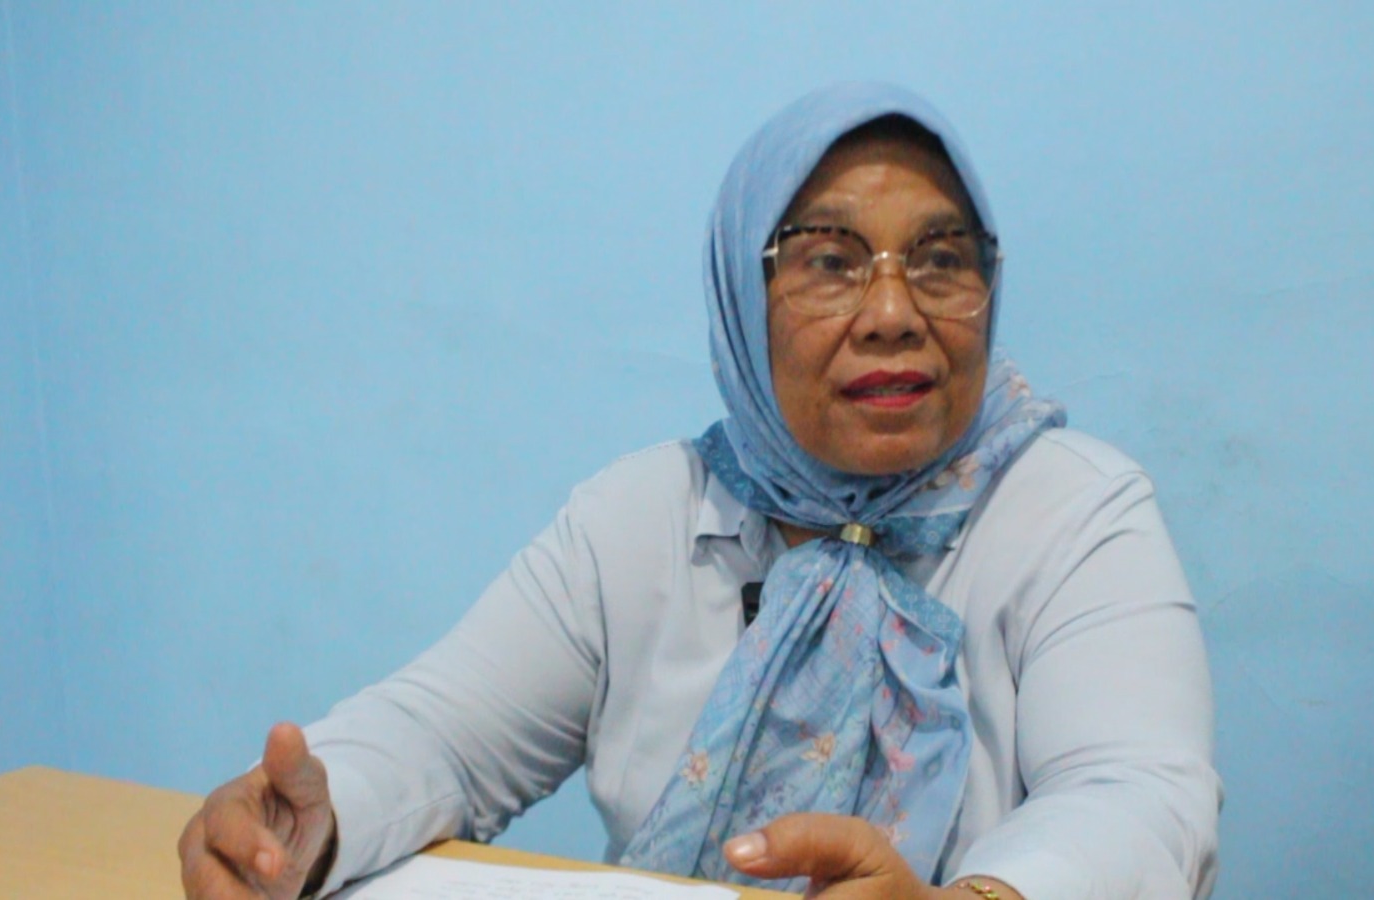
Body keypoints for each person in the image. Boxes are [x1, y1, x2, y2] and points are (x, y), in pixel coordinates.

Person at [179, 83, 1220, 900]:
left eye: (941, 259)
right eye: (830, 262)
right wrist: (308, 826)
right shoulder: (641, 518)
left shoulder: (1075, 512)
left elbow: (1135, 796)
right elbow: (443, 738)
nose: (894, 313)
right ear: (740, 296)